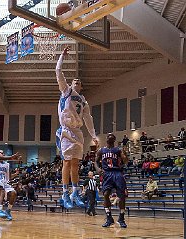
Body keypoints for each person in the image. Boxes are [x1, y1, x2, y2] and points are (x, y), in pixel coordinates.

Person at [55, 47, 98, 209]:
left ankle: (74, 192)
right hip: (65, 130)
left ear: (82, 86)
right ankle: (65, 193)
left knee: (75, 165)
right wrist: (62, 56)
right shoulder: (66, 91)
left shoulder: (83, 101)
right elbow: (58, 71)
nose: (76, 82)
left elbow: (88, 118)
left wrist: (93, 135)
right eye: (74, 81)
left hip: (78, 132)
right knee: (66, 163)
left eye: (78, 82)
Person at [94, 133, 128, 228]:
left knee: (121, 196)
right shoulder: (101, 150)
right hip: (107, 173)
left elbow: (125, 161)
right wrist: (98, 169)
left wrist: (125, 156)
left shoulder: (118, 149)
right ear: (106, 139)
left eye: (112, 136)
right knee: (105, 194)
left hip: (117, 173)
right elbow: (95, 162)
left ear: (114, 140)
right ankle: (109, 218)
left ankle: (121, 218)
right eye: (109, 136)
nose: (110, 136)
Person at [0, 150, 18, 221]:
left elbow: (9, 177)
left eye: (2, 153)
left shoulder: (7, 165)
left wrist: (16, 174)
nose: (1, 154)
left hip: (5, 183)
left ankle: (8, 211)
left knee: (14, 193)